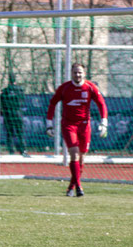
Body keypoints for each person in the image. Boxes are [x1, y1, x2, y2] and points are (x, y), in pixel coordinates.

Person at [46, 63, 108, 197]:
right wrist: (49, 123)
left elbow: (101, 103)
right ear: (71, 73)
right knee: (73, 152)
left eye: (80, 72)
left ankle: (71, 186)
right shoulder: (64, 88)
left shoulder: (90, 87)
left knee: (81, 158)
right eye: (75, 72)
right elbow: (52, 103)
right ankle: (79, 186)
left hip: (85, 125)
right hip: (69, 125)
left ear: (84, 73)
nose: (77, 75)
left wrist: (104, 122)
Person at [0, 74, 28, 156]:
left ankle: (11, 151)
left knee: (10, 133)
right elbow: (22, 100)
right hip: (18, 113)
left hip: (8, 114)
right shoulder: (20, 90)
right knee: (20, 133)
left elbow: (2, 102)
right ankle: (23, 151)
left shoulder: (5, 91)